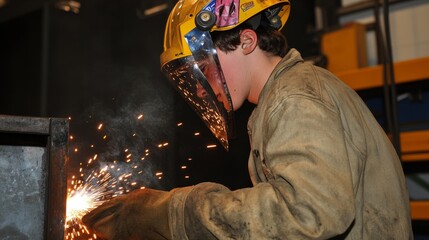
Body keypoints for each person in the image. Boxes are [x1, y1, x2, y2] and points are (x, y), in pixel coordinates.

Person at [82, 0, 413, 239]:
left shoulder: (294, 98)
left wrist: (178, 214)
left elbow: (311, 214)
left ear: (246, 41)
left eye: (205, 68)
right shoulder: (286, 96)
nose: (200, 90)